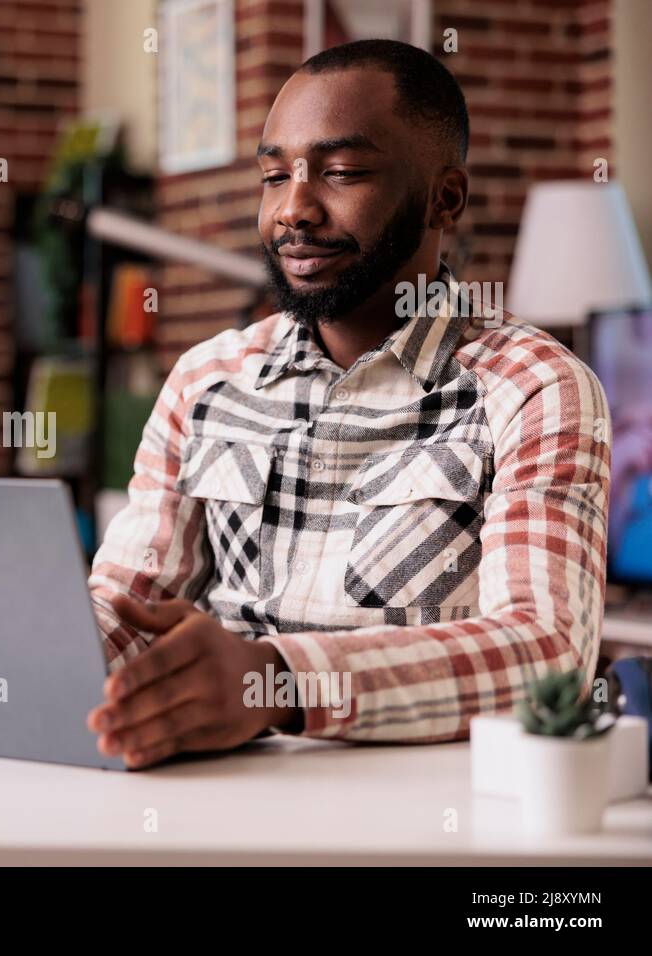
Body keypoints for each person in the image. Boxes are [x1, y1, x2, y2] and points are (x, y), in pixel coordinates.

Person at [86, 39, 611, 768]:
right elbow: (125, 608)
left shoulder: (534, 386)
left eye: (341, 173)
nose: (293, 209)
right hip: (209, 799)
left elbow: (546, 656)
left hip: (425, 820)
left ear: (444, 198)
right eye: (275, 175)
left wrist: (274, 682)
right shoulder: (205, 380)